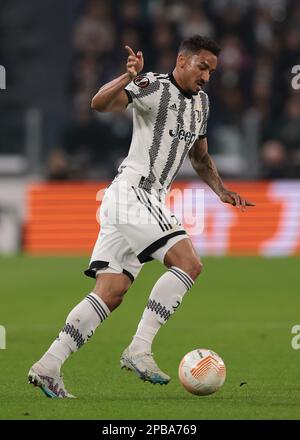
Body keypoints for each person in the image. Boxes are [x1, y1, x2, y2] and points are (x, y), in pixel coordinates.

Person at [28, 35, 255, 398]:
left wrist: (221, 190)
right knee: (189, 263)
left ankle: (49, 365)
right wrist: (126, 76)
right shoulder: (154, 87)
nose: (207, 76)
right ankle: (139, 348)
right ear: (182, 60)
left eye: (212, 70)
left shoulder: (203, 104)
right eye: (202, 67)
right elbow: (99, 104)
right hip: (135, 191)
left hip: (133, 201)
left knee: (111, 291)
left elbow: (200, 156)